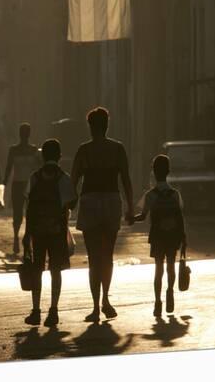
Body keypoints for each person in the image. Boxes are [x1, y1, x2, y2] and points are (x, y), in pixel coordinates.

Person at [71, 107, 134, 323]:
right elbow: (125, 179)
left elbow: (74, 181)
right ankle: (106, 300)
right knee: (107, 255)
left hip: (89, 202)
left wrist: (68, 206)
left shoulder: (84, 150)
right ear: (107, 126)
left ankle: (96, 307)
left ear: (91, 127)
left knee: (93, 258)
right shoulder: (117, 149)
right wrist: (131, 207)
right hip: (110, 202)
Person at [22, 139, 77, 327]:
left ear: (42, 156)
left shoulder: (35, 177)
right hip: (57, 231)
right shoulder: (64, 178)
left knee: (37, 269)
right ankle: (53, 311)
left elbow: (29, 208)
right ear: (59, 156)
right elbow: (72, 203)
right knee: (56, 270)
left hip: (38, 231)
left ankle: (36, 311)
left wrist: (26, 234)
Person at [134, 154, 187, 317]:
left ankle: (157, 302)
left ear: (153, 172)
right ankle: (170, 291)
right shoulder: (175, 194)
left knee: (158, 269)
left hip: (157, 235)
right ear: (168, 172)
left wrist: (130, 218)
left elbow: (142, 216)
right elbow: (180, 216)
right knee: (171, 265)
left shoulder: (150, 195)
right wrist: (183, 238)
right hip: (173, 235)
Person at [4, 123, 39, 254]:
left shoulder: (33, 149)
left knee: (30, 215)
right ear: (21, 134)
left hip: (30, 185)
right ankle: (16, 238)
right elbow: (8, 167)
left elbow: (37, 169)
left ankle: (27, 240)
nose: (25, 135)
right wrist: (4, 182)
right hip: (18, 185)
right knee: (17, 214)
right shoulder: (13, 149)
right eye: (23, 133)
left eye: (26, 133)